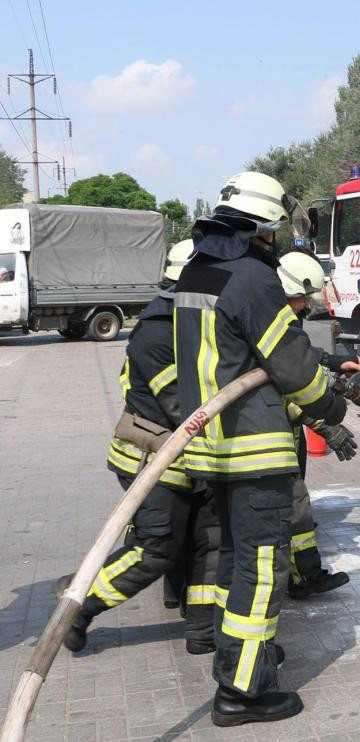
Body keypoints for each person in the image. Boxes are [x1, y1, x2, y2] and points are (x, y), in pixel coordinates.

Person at [174, 172, 346, 727]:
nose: (275, 239)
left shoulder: (198, 272)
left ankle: (241, 657)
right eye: (272, 229)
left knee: (234, 563)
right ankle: (243, 691)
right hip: (253, 448)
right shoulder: (251, 279)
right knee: (263, 567)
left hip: (212, 450)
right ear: (258, 228)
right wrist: (335, 410)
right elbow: (290, 363)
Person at [63, 240, 222, 657]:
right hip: (153, 461)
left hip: (189, 461)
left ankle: (202, 629)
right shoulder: (157, 332)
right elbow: (184, 407)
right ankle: (77, 606)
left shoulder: (185, 320)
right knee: (157, 549)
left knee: (207, 540)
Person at [274, 250, 359, 599]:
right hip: (272, 437)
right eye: (302, 299)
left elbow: (303, 357)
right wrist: (325, 423)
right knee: (295, 507)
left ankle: (301, 575)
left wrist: (336, 363)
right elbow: (284, 388)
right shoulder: (274, 324)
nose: (307, 307)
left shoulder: (278, 319)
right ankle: (303, 577)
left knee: (297, 506)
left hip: (286, 434)